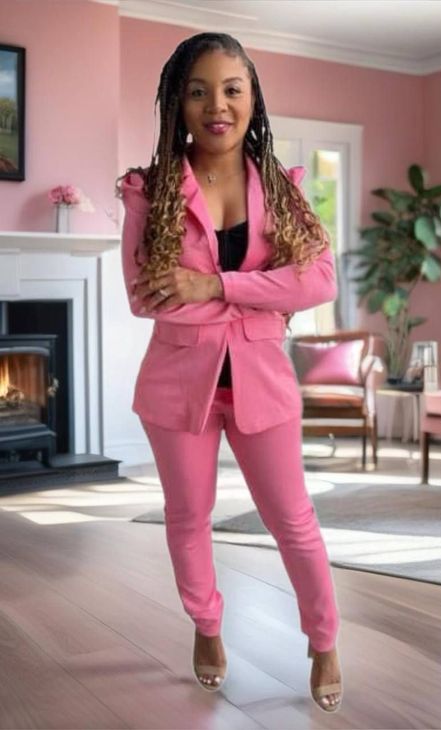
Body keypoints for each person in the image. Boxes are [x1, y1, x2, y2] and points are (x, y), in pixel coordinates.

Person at [115, 32, 343, 713]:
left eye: (233, 89)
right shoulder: (148, 190)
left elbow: (321, 280)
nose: (218, 105)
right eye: (199, 90)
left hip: (263, 386)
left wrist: (210, 288)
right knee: (188, 516)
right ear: (177, 104)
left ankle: (325, 638)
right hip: (176, 388)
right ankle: (207, 627)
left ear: (252, 99)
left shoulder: (280, 186)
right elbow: (144, 295)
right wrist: (261, 291)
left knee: (293, 520)